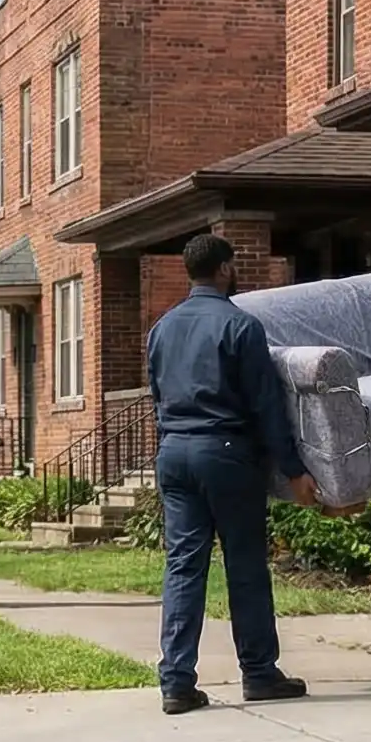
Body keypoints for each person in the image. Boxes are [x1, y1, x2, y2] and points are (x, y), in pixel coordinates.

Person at [146, 233, 316, 715]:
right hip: (226, 454)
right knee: (244, 567)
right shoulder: (241, 327)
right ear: (224, 269)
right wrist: (294, 469)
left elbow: (156, 394)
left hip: (174, 452)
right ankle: (259, 673)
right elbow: (267, 407)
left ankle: (176, 682)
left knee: (183, 566)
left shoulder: (162, 328)